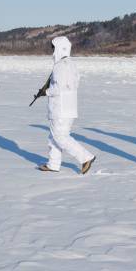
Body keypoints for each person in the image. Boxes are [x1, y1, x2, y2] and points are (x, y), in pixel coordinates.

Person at [37, 36, 96, 174]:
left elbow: (59, 89)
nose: (52, 51)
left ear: (59, 48)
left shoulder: (60, 67)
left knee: (60, 137)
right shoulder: (72, 64)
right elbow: (73, 85)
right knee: (54, 136)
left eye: (53, 48)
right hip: (69, 103)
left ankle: (86, 157)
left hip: (60, 106)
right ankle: (53, 164)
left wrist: (46, 92)